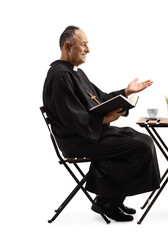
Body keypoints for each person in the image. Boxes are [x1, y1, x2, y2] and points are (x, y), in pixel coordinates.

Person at [42, 26, 160, 222]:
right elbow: (71, 116)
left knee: (141, 138)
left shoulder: (75, 73)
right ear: (68, 46)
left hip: (90, 133)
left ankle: (111, 199)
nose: (88, 49)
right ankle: (107, 201)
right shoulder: (59, 75)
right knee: (137, 147)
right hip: (78, 139)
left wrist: (127, 92)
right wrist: (104, 119)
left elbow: (101, 99)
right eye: (84, 44)